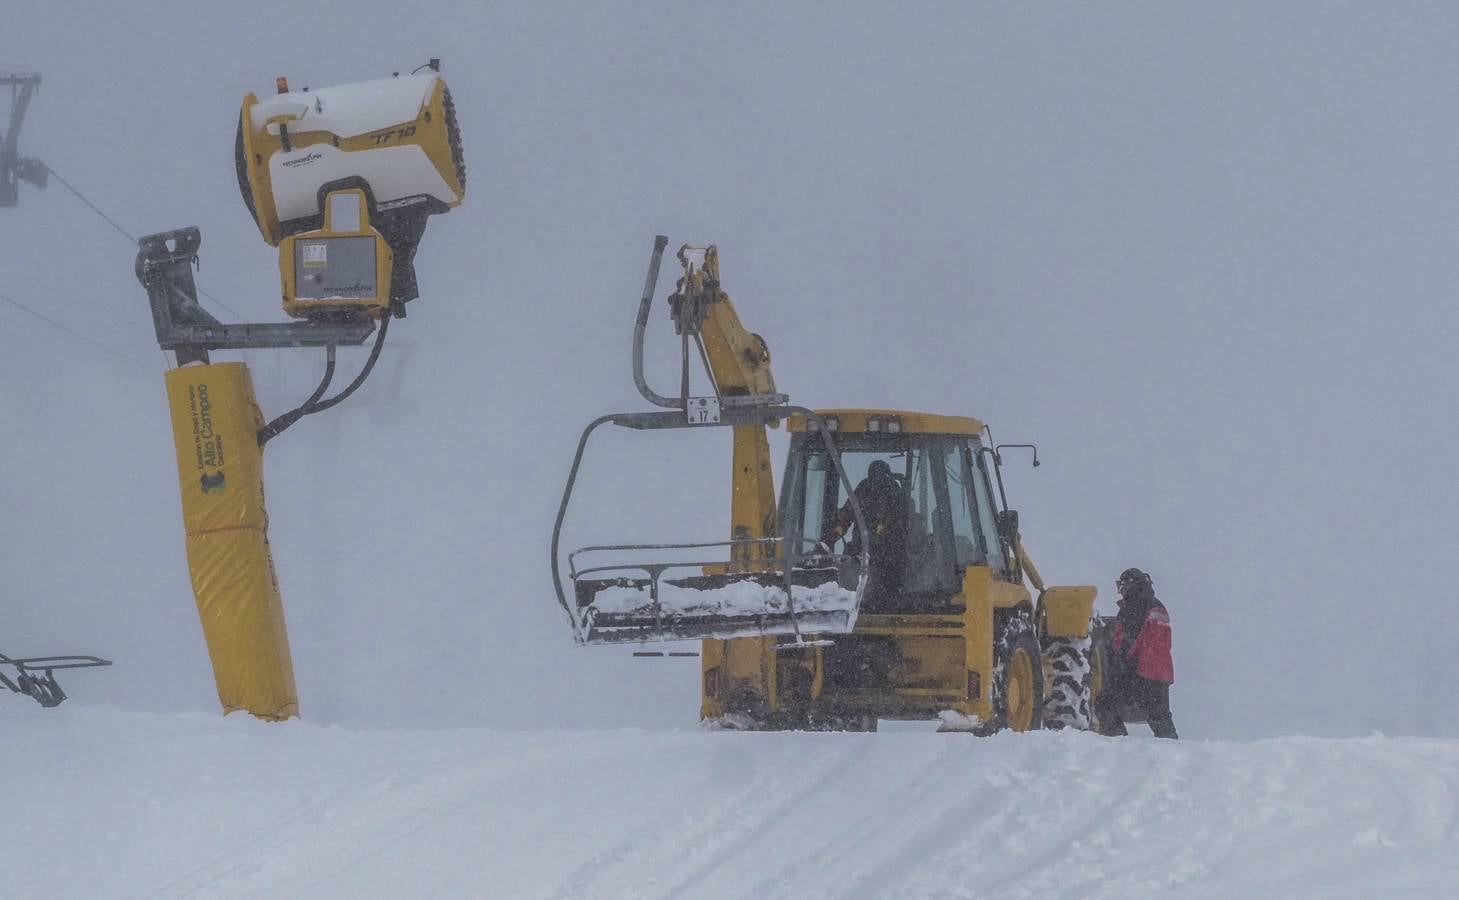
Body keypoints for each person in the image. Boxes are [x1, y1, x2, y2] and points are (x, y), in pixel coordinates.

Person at [1095, 567, 1178, 739]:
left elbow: (1131, 639)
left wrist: (1123, 665)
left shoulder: (1135, 604)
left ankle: (1118, 742)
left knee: (1105, 703)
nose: (1121, 590)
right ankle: (1173, 750)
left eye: (1122, 585)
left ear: (1132, 584)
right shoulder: (1155, 604)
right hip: (1161, 673)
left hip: (1140, 671)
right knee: (1160, 717)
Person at [822, 460, 908, 599]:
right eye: (875, 476)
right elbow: (848, 512)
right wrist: (837, 531)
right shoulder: (864, 489)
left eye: (881, 476)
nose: (877, 480)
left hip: (890, 552)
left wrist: (884, 527)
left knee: (886, 577)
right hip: (863, 549)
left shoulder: (893, 491)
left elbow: (897, 515)